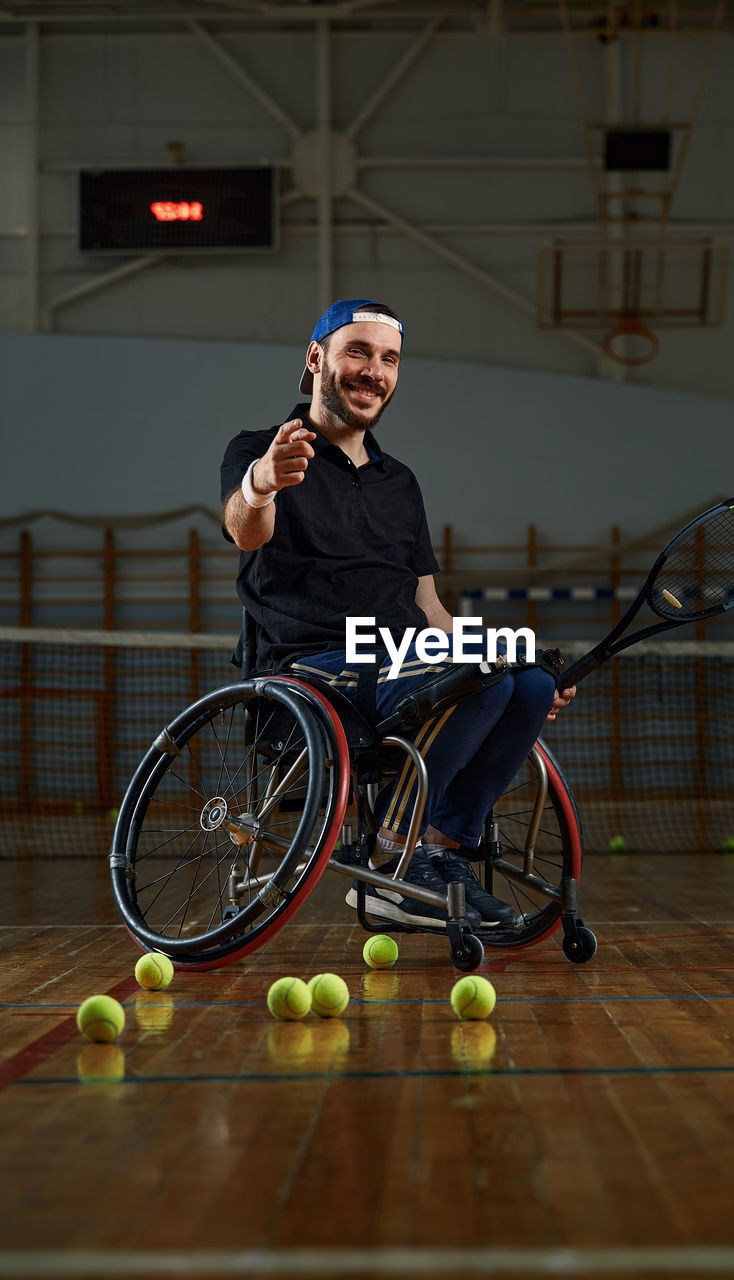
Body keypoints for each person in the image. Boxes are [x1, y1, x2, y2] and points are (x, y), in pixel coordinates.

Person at [220, 299, 575, 931]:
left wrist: (498, 654)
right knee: (473, 681)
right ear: (316, 359)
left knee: (528, 682)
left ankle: (439, 851)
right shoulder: (260, 449)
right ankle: (393, 860)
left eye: (389, 359)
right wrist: (262, 484)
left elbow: (428, 604)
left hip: (407, 662)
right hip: (312, 668)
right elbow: (246, 532)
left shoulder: (399, 482)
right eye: (357, 351)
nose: (373, 371)